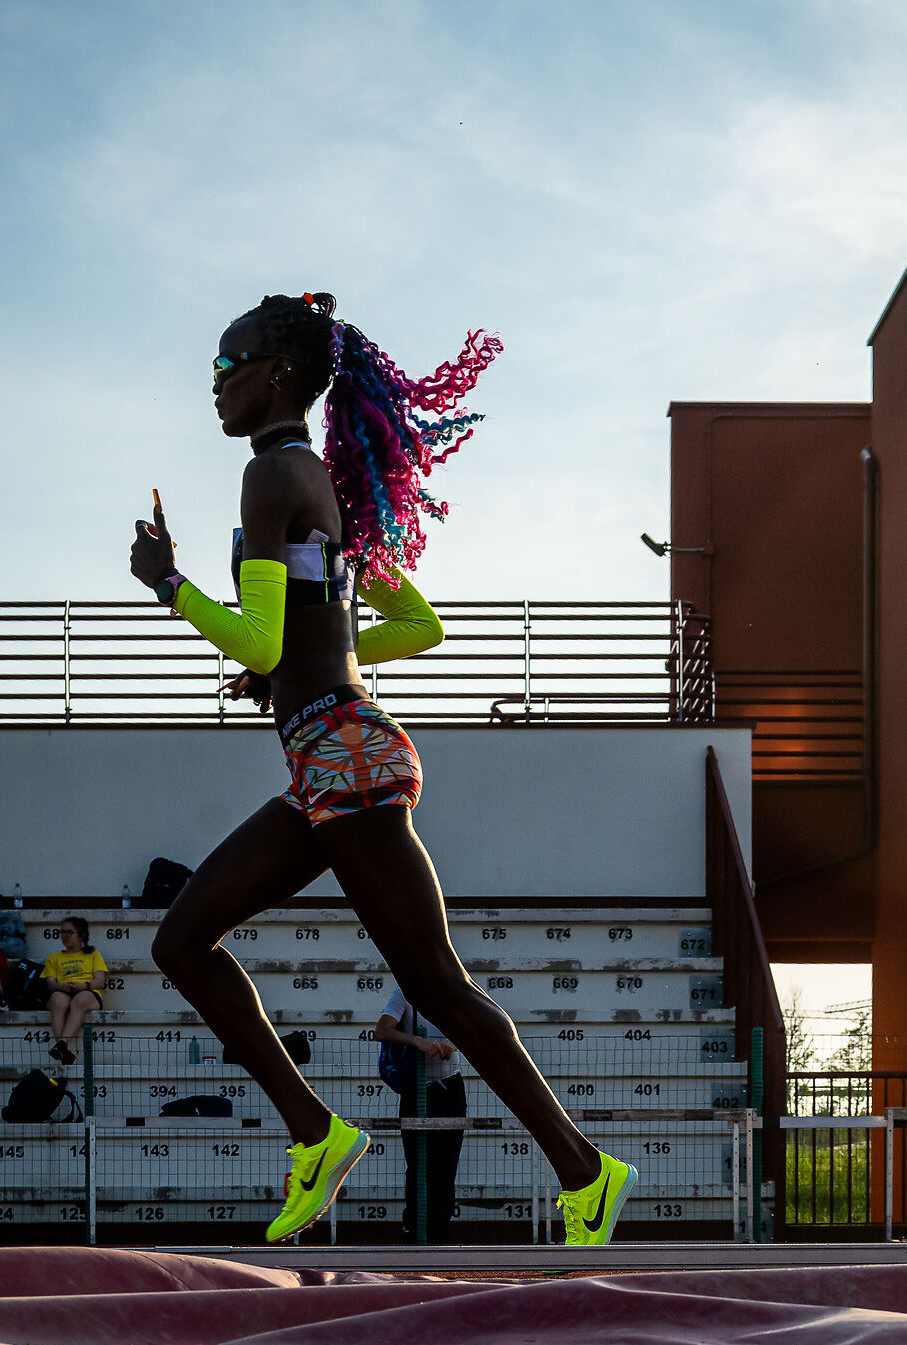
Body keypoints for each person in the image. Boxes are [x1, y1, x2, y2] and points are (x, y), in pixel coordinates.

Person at [129, 289, 637, 1249]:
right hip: (331, 756)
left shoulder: (273, 477)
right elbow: (417, 627)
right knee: (182, 941)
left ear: (279, 374)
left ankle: (584, 1170)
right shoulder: (326, 486)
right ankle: (318, 1135)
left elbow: (263, 633)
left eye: (227, 365)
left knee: (436, 985)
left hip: (345, 757)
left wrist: (169, 584)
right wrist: (306, 656)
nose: (215, 386)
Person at [375, 988, 464, 1242]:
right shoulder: (404, 994)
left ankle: (440, 1230)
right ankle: (414, 1228)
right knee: (417, 1162)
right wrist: (416, 1041)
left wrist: (451, 1044)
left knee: (447, 1163)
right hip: (415, 1087)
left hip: (449, 1086)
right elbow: (381, 1030)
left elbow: (469, 1031)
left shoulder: (454, 991)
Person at [41, 914, 107, 1064]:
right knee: (58, 1000)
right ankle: (62, 1048)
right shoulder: (53, 957)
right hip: (64, 991)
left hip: (87, 993)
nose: (64, 936)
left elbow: (100, 981)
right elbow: (50, 984)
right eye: (62, 932)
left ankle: (61, 1045)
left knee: (81, 999)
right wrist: (61, 986)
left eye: (69, 932)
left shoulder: (93, 955)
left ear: (81, 935)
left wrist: (84, 986)